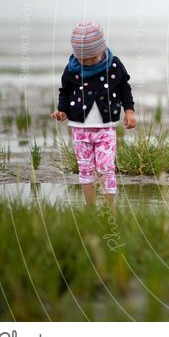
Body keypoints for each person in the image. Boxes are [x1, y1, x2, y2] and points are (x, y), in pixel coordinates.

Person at [51, 21, 136, 206]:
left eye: (91, 58)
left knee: (107, 167)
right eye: (83, 59)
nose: (87, 62)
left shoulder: (113, 65)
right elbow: (64, 90)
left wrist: (129, 111)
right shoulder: (73, 68)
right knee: (85, 167)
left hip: (105, 128)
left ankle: (109, 208)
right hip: (80, 128)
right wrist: (62, 110)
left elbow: (124, 87)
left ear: (102, 49)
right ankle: (89, 209)